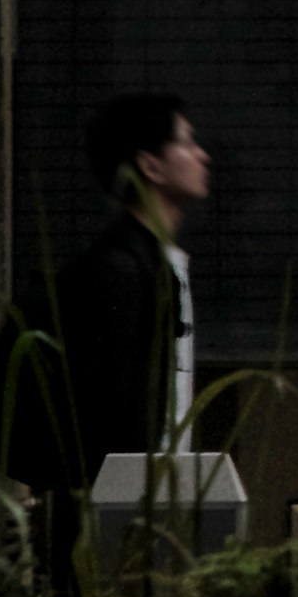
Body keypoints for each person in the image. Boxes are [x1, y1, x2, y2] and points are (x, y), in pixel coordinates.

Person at [54, 91, 212, 473]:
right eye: (187, 143)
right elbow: (116, 413)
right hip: (126, 502)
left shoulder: (155, 264)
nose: (202, 156)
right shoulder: (120, 271)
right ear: (151, 167)